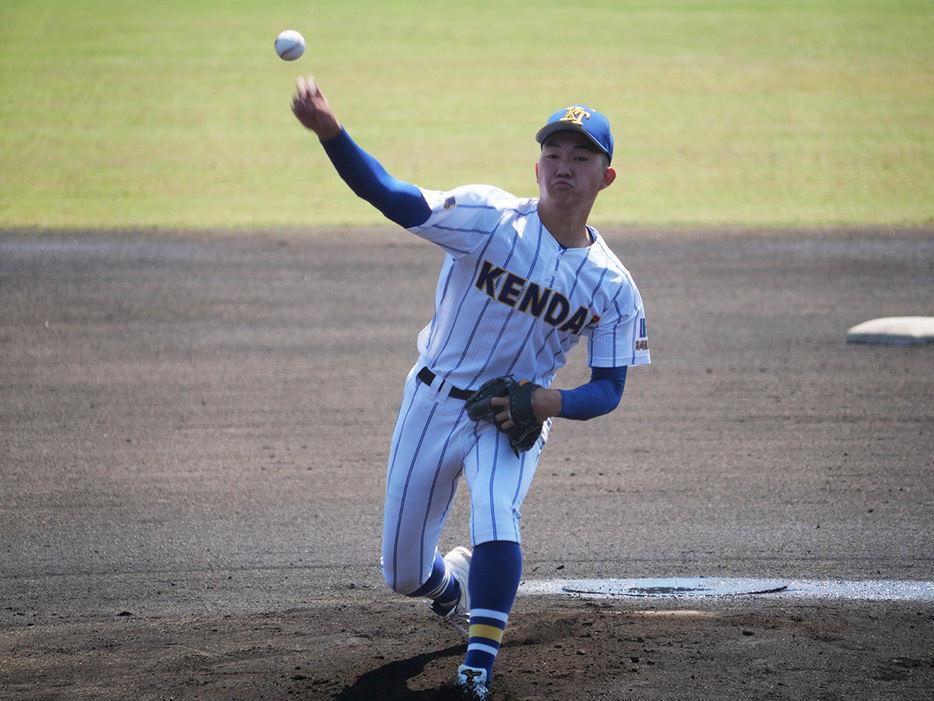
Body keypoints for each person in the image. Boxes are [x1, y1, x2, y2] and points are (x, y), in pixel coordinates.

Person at [291, 76, 650, 699]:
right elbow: (393, 197)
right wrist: (332, 134)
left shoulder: (614, 287)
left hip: (510, 420)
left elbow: (610, 387)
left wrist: (545, 402)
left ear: (606, 177)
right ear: (536, 165)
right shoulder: (490, 219)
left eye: (581, 157)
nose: (563, 167)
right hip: (431, 401)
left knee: (495, 511)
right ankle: (447, 586)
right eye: (554, 154)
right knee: (402, 574)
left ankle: (477, 666)